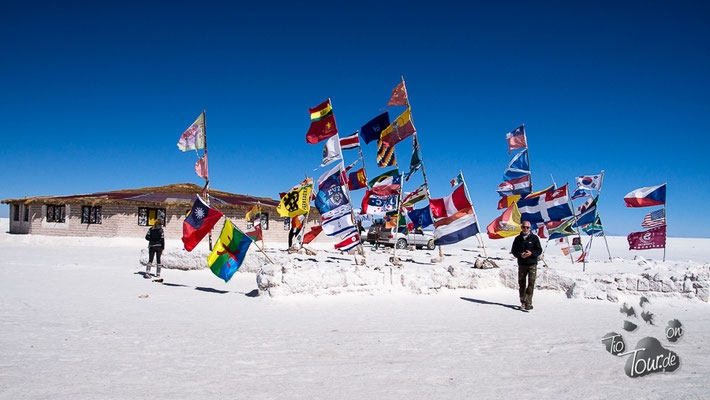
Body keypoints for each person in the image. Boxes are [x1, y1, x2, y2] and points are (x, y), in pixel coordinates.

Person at [511, 220, 542, 310]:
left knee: (531, 283)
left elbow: (539, 250)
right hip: (522, 264)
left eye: (527, 227)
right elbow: (514, 251)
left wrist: (531, 253)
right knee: (522, 283)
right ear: (521, 228)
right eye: (524, 227)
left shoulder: (534, 238)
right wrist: (520, 255)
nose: (525, 229)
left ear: (530, 228)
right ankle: (523, 302)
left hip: (532, 264)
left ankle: (528, 302)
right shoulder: (518, 239)